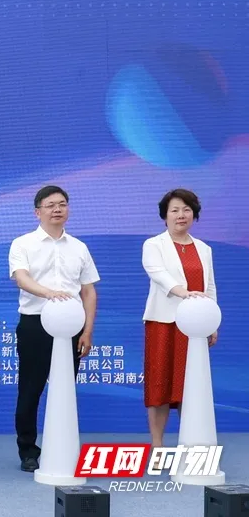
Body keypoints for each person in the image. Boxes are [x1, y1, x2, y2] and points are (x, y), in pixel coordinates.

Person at [8, 185, 98, 473]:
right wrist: (49, 293)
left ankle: (62, 447)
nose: (57, 209)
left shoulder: (79, 247)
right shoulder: (23, 243)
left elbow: (88, 291)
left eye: (62, 204)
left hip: (72, 325)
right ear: (38, 212)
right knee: (30, 390)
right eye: (50, 205)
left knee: (64, 389)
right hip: (35, 322)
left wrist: (87, 330)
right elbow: (21, 278)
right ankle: (28, 451)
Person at [142, 188, 218, 451]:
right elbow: (158, 274)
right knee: (160, 386)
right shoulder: (154, 245)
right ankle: (158, 446)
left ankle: (191, 444)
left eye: (186, 210)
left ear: (194, 215)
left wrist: (212, 321)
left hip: (194, 327)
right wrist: (184, 293)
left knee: (191, 384)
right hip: (163, 323)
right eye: (174, 210)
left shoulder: (204, 249)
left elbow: (210, 286)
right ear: (165, 216)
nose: (181, 215)